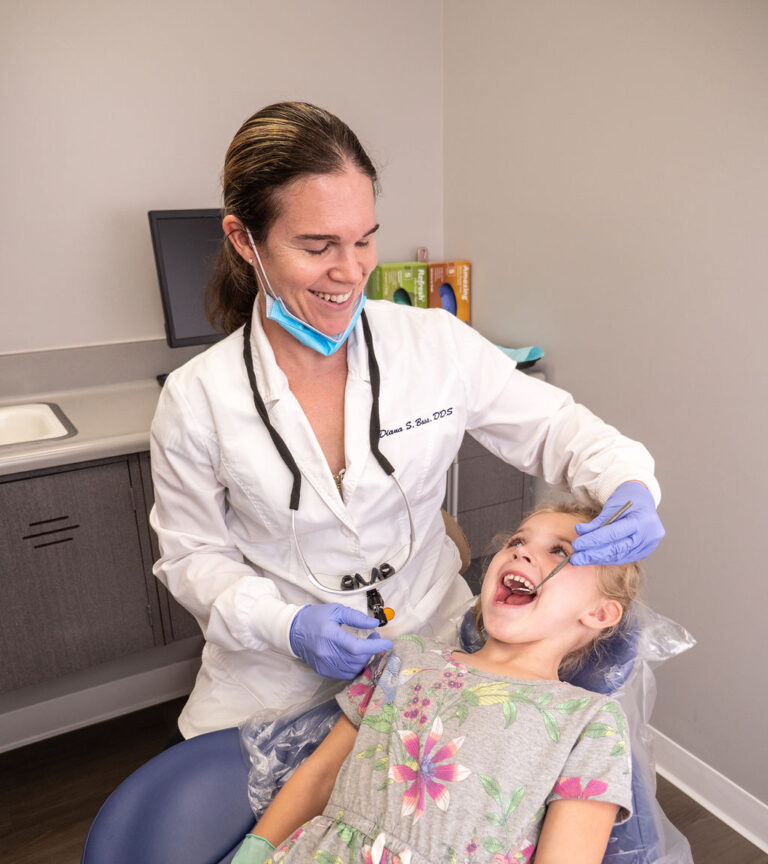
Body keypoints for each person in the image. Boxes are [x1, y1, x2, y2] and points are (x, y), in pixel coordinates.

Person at [149, 100, 663, 738]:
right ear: (243, 241)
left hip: (433, 639)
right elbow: (192, 555)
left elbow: (558, 429)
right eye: (317, 246)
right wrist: (285, 627)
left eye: (364, 239)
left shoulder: (433, 345)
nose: (351, 271)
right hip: (271, 666)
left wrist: (631, 485)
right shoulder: (196, 399)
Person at [95, 501, 640, 864]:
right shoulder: (407, 660)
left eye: (559, 552)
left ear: (600, 613)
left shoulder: (588, 722)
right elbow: (317, 778)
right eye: (518, 541)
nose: (523, 553)